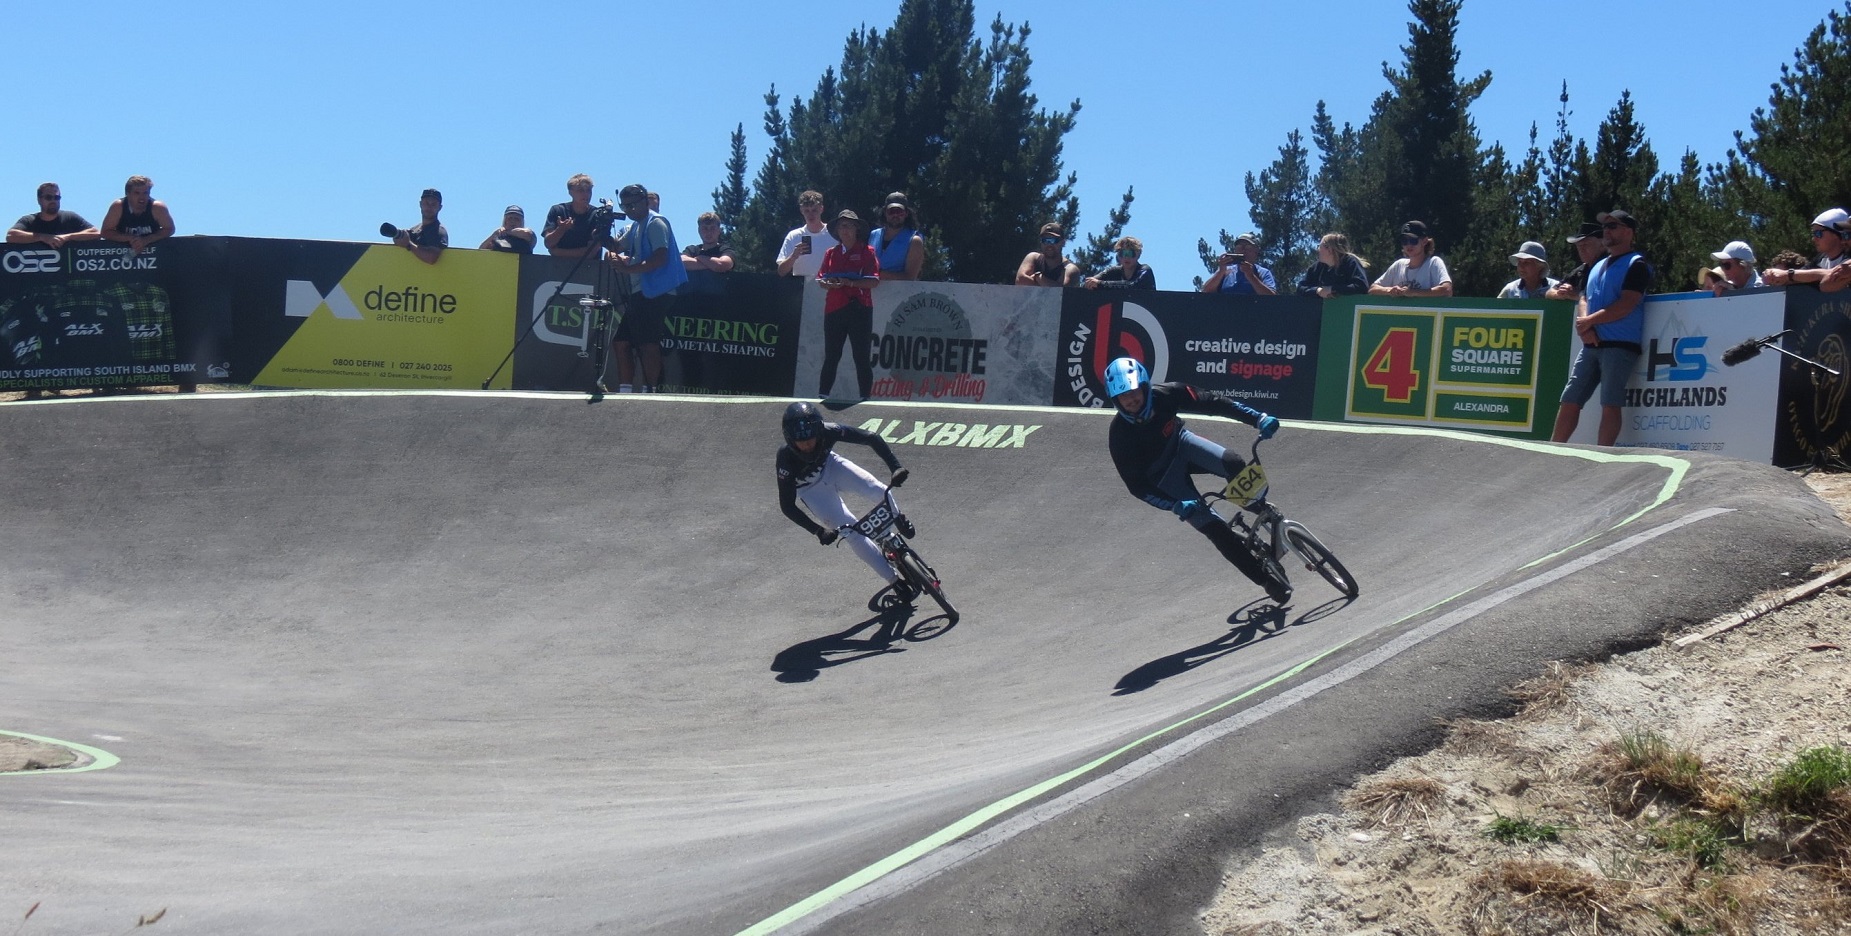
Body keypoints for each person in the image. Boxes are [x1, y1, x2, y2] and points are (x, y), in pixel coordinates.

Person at [1102, 357, 1291, 604]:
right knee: (1215, 530)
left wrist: (1258, 418)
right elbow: (1136, 486)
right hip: (1162, 476)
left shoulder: (1168, 394)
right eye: (1122, 397)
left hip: (1182, 445)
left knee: (1232, 461)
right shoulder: (1119, 436)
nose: (1130, 400)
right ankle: (1265, 581)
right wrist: (1175, 505)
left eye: (1133, 391)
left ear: (1145, 386)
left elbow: (1215, 403)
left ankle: (1259, 508)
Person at [774, 401, 918, 602]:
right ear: (790, 440)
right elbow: (787, 506)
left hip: (831, 466)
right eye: (800, 441)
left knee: (876, 488)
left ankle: (899, 517)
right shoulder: (785, 460)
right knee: (850, 533)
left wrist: (896, 467)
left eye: (811, 438)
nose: (806, 445)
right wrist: (817, 530)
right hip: (809, 489)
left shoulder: (829, 431)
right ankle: (894, 580)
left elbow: (871, 438)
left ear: (819, 431)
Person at [1552, 209, 1652, 447]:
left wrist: (1590, 322)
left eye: (1613, 226)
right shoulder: (1596, 266)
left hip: (1620, 344)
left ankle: (1602, 453)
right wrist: (1584, 325)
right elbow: (1584, 297)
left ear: (1628, 232)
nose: (1607, 231)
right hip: (1591, 343)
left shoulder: (1637, 264)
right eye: (1605, 227)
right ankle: (1553, 448)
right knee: (1570, 398)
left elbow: (1627, 303)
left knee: (1610, 402)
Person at [607, 184, 687, 394]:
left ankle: (649, 391)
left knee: (647, 343)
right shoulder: (635, 226)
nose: (630, 210)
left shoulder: (656, 223)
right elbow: (617, 246)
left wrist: (628, 268)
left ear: (644, 201)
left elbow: (660, 257)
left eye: (633, 205)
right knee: (622, 342)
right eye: (625, 207)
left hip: (657, 292)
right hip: (641, 292)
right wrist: (602, 229)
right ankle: (625, 390)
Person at [815, 209, 880, 400]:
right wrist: (828, 283)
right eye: (842, 225)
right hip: (834, 308)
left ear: (856, 229)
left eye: (849, 225)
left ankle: (865, 398)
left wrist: (850, 283)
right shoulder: (830, 253)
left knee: (861, 356)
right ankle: (822, 396)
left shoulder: (867, 252)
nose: (845, 229)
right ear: (837, 230)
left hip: (860, 308)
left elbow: (874, 281)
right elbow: (820, 279)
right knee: (831, 356)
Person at [1761, 208, 1851, 293]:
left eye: (1818, 233)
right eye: (1813, 234)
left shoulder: (1848, 255)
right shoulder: (1820, 259)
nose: (1814, 239)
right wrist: (1778, 277)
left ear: (1835, 234)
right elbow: (1803, 276)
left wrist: (1788, 274)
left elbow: (1830, 277)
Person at [1369, 221, 1452, 297]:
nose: (1409, 245)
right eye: (1404, 241)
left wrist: (1413, 292)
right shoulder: (1398, 265)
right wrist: (1389, 290)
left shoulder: (1433, 263)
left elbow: (1447, 290)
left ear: (1424, 241)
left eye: (1413, 241)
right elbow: (1372, 289)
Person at [98, 176, 174, 256]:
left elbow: (170, 228)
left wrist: (146, 240)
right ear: (128, 194)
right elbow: (105, 232)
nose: (142, 197)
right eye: (137, 193)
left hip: (154, 254)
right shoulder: (118, 207)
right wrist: (130, 238)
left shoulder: (157, 208)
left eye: (145, 193)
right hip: (123, 255)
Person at [7, 182, 100, 247]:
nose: (53, 201)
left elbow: (96, 233)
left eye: (56, 197)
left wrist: (67, 237)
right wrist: (42, 237)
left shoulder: (70, 217)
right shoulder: (29, 220)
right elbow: (11, 236)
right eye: (48, 197)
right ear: (39, 200)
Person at [776, 190, 836, 278]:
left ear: (821, 209)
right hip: (803, 288)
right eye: (807, 211)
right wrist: (793, 256)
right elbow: (781, 271)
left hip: (830, 287)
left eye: (814, 210)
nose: (810, 214)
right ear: (801, 211)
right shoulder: (793, 236)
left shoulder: (834, 233)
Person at [868, 192, 925, 281]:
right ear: (885, 213)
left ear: (906, 213)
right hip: (872, 292)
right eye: (891, 211)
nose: (895, 215)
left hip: (900, 293)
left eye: (899, 212)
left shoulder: (914, 241)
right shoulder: (873, 235)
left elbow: (910, 277)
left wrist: (880, 274)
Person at [543, 174, 603, 259]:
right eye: (581, 190)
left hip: (589, 269)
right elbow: (548, 243)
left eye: (589, 190)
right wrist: (561, 230)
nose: (586, 194)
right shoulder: (558, 211)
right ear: (570, 192)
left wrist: (558, 253)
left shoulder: (598, 214)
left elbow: (590, 253)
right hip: (558, 267)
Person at [1294, 233, 1370, 298]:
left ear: (1329, 249)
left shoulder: (1350, 262)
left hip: (1347, 309)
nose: (1318, 250)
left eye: (1320, 246)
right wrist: (1317, 291)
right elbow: (1300, 288)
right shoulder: (1317, 267)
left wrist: (1332, 289)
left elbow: (1361, 287)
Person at [1545, 222, 1607, 301]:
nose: (1581, 250)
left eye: (1585, 244)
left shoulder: (1610, 268)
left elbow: (1608, 299)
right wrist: (1562, 293)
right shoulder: (1580, 271)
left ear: (1602, 245)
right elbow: (1549, 293)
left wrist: (1576, 296)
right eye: (1578, 246)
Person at [1201, 232, 1276, 295]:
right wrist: (1221, 271)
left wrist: (1251, 276)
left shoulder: (1263, 273)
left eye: (1247, 247)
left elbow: (1271, 298)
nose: (1243, 250)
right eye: (1239, 247)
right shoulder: (1225, 271)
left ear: (1256, 251)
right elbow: (1206, 292)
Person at [1015, 222, 1080, 287]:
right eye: (1045, 240)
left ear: (1063, 243)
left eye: (1053, 240)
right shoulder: (1033, 258)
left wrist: (1039, 277)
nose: (1049, 245)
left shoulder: (1070, 269)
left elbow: (1061, 292)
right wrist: (1048, 285)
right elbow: (1020, 280)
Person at [392, 188, 446, 265]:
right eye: (426, 203)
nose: (429, 207)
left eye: (433, 204)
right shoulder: (414, 230)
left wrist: (409, 245)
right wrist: (398, 238)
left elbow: (431, 258)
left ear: (440, 208)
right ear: (420, 204)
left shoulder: (438, 231)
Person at [1083, 236, 1156, 290]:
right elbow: (1091, 281)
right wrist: (1090, 283)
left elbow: (1133, 286)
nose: (1126, 257)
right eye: (1122, 253)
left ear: (1139, 254)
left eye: (1130, 253)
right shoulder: (1113, 271)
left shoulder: (1145, 271)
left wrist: (1100, 284)